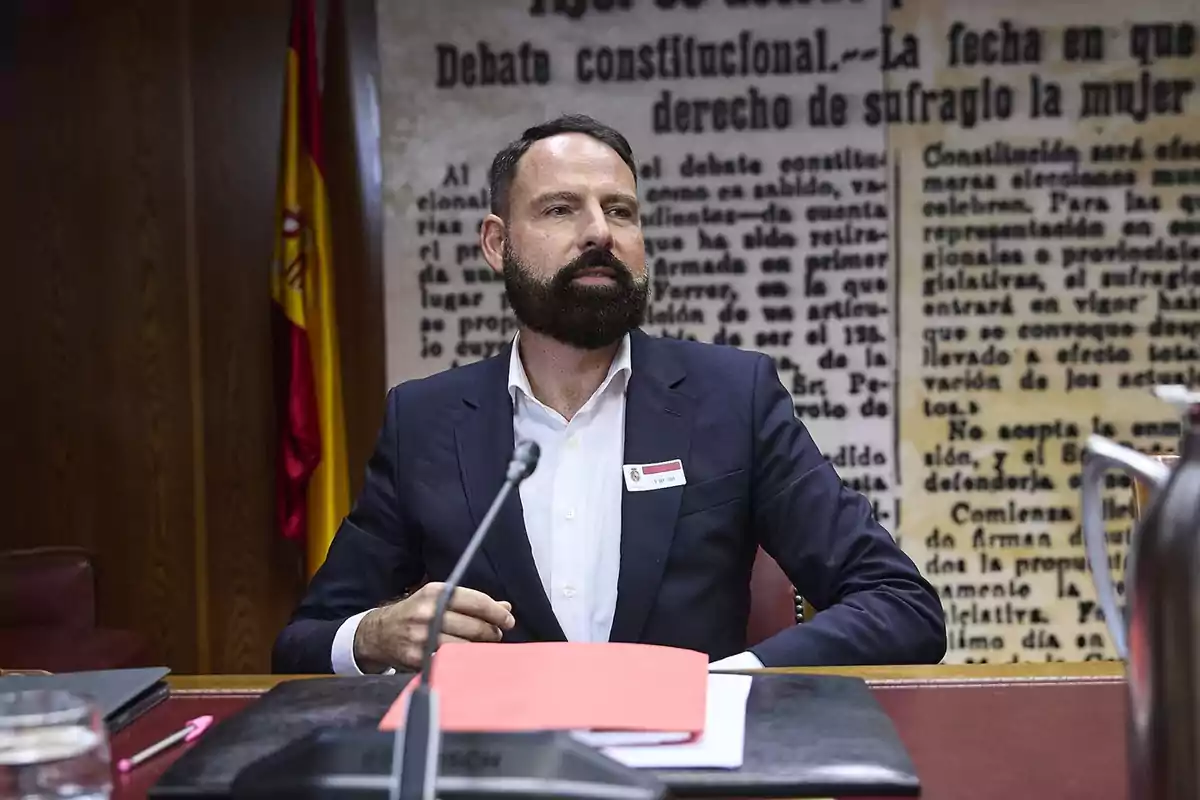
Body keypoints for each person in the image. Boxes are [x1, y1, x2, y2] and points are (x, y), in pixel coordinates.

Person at [271, 114, 946, 675]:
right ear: (497, 244)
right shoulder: (425, 420)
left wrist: (735, 683)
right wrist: (373, 636)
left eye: (619, 210)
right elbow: (302, 645)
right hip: (495, 778)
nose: (599, 231)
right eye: (561, 209)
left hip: (686, 773)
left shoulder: (732, 399)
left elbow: (900, 604)